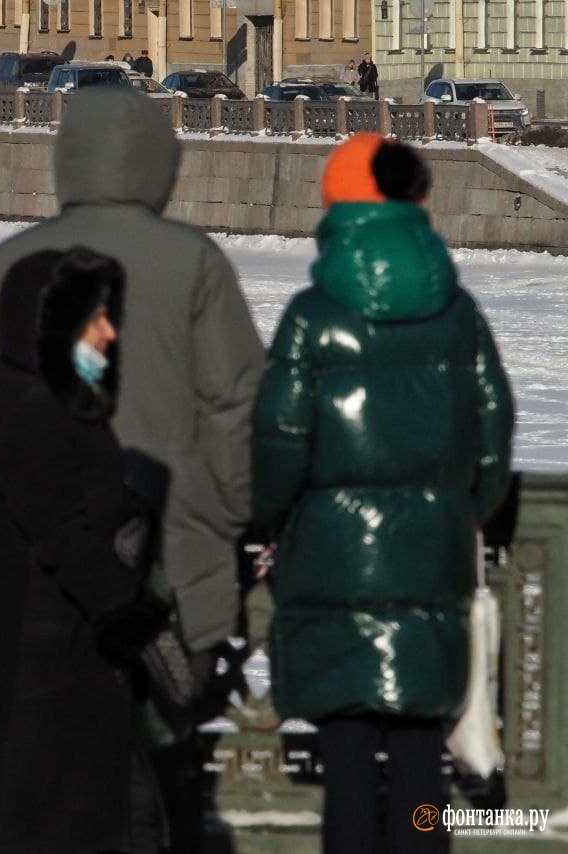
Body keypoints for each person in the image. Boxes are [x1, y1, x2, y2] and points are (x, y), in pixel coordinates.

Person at [0, 87, 264, 852]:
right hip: (173, 561)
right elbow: (237, 411)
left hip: (47, 588)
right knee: (158, 768)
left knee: (71, 780)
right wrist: (226, 522)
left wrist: (12, 527)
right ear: (161, 162)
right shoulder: (195, 259)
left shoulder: (16, 260)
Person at [252, 134, 514, 854]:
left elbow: (278, 438)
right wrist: (467, 508)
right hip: (432, 557)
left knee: (346, 763)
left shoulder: (311, 314)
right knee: (419, 759)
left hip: (331, 561)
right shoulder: (457, 313)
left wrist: (272, 520)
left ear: (336, 207)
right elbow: (494, 428)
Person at [0, 247, 169, 853]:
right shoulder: (33, 411)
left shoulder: (43, 400)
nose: (111, 332)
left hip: (59, 654)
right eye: (96, 319)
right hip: (43, 666)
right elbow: (61, 532)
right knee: (53, 827)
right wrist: (127, 612)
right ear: (55, 324)